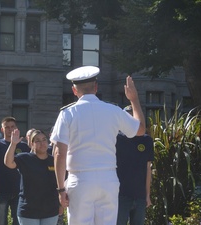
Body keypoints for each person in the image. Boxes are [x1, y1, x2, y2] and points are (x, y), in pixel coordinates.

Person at [50, 66, 146, 225]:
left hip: (80, 178)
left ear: (74, 90)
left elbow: (60, 153)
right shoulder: (113, 110)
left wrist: (60, 189)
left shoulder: (68, 114)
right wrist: (134, 99)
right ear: (96, 87)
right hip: (107, 178)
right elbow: (140, 129)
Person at [4, 129, 59, 225]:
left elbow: (61, 183)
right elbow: (8, 163)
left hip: (50, 211)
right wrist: (13, 144)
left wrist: (61, 205)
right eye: (37, 141)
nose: (42, 143)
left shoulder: (54, 161)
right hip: (28, 211)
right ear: (32, 144)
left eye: (44, 139)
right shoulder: (25, 158)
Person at [116, 105, 154, 225]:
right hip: (120, 195)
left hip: (139, 196)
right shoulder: (116, 139)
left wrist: (147, 195)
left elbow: (148, 169)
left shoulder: (147, 140)